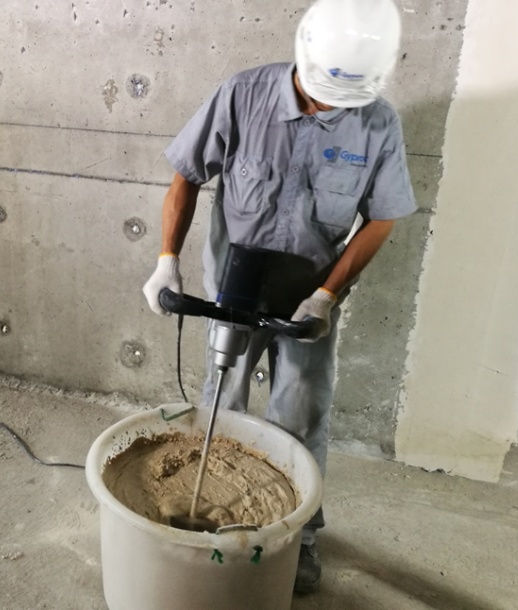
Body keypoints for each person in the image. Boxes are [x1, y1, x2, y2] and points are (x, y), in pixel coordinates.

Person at [141, 0, 416, 594]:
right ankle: (213, 519)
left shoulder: (377, 124)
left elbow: (382, 218)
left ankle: (299, 540)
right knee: (224, 402)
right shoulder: (242, 95)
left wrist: (325, 296)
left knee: (301, 412)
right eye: (320, 95)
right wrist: (166, 261)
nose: (328, 107)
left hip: (307, 298)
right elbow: (186, 175)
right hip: (234, 287)